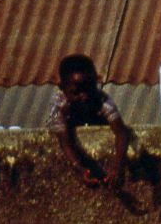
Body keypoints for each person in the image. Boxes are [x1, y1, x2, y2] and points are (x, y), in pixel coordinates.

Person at [48, 54, 131, 190]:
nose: (84, 96)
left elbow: (121, 133)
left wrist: (118, 167)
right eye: (76, 92)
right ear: (62, 87)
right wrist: (79, 169)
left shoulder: (102, 100)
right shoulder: (59, 104)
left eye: (89, 89)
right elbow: (64, 140)